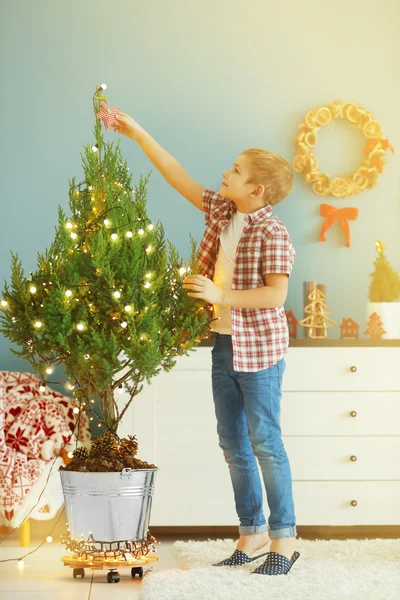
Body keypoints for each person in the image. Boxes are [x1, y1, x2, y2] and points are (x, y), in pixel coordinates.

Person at [113, 111, 300, 576]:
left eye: (236, 171)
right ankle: (251, 531)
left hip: (259, 352)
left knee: (266, 443)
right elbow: (177, 176)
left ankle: (285, 538)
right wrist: (138, 133)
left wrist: (222, 296)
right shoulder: (224, 211)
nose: (225, 173)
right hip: (224, 343)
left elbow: (276, 295)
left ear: (256, 190)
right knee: (232, 442)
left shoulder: (273, 233)